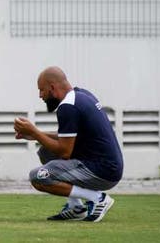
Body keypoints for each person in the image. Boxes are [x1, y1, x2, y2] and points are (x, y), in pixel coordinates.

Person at [14, 66, 123, 222]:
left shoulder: (67, 107)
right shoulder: (81, 95)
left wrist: (36, 132)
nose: (40, 95)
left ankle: (98, 198)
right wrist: (36, 135)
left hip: (103, 171)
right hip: (106, 165)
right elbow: (68, 138)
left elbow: (64, 151)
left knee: (37, 177)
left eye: (42, 90)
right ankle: (75, 207)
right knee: (45, 151)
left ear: (52, 88)